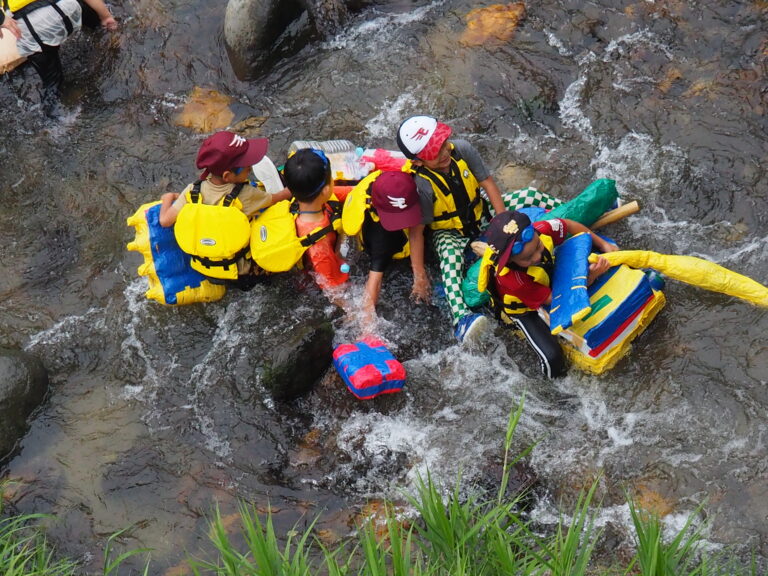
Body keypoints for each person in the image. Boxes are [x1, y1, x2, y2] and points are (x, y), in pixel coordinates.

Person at [396, 114, 560, 344]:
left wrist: (505, 224)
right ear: (418, 162)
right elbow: (417, 233)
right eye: (435, 153)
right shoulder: (421, 185)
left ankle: (573, 211)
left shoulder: (461, 149)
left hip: (481, 212)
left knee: (530, 194)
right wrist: (419, 276)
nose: (444, 153)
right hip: (449, 231)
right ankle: (461, 318)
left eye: (443, 144)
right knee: (450, 263)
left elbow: (488, 184)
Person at [480, 210, 618, 378]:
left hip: (545, 280)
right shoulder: (513, 279)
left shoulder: (542, 229)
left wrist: (604, 245)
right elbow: (557, 299)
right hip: (525, 310)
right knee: (552, 357)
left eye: (538, 246)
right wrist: (592, 276)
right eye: (528, 258)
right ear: (510, 261)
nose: (538, 255)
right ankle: (553, 389)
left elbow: (570, 225)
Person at [159, 131, 291, 289]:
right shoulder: (245, 194)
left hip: (206, 271)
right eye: (246, 167)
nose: (250, 168)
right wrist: (294, 186)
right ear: (227, 176)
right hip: (244, 274)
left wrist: (168, 198)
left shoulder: (192, 191)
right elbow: (279, 197)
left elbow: (165, 221)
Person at [342, 170, 430, 326]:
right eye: (399, 218)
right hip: (378, 242)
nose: (405, 223)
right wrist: (367, 328)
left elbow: (416, 233)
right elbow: (374, 281)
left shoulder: (403, 183)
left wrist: (419, 276)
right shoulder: (381, 237)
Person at [7, 0, 117, 113]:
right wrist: (106, 16)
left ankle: (53, 123)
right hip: (65, 9)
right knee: (98, 23)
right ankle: (112, 38)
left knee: (52, 84)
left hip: (31, 29)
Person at [282, 148, 349, 291]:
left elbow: (350, 193)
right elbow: (331, 288)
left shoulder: (302, 198)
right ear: (325, 190)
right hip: (313, 279)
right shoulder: (318, 243)